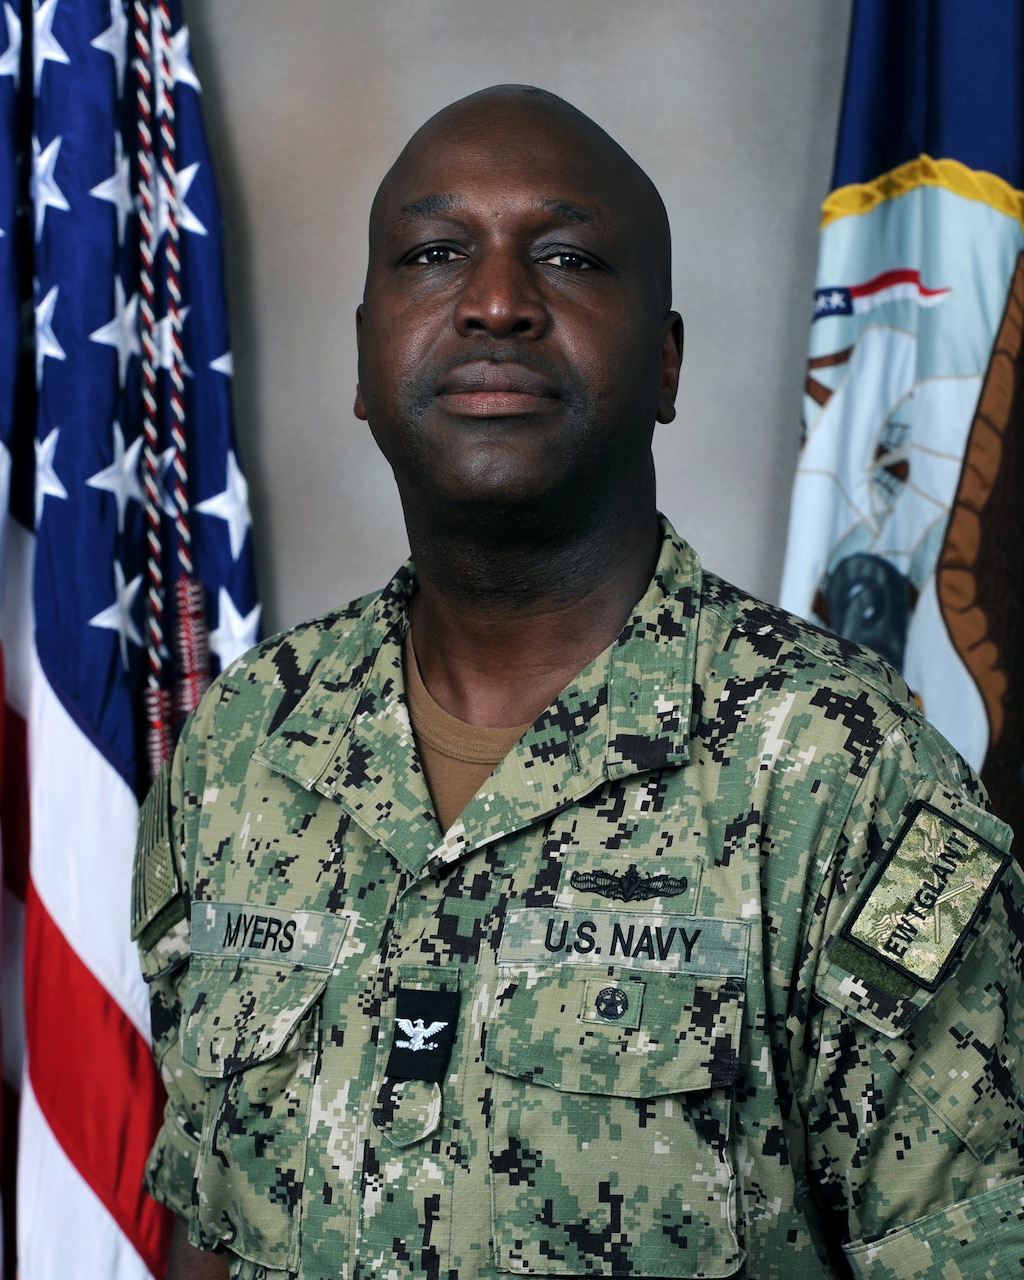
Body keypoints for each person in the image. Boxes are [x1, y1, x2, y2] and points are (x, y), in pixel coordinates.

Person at [132, 85, 1024, 1280]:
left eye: (568, 257)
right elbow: (214, 1219)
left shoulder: (844, 771)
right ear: (361, 354)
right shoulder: (243, 741)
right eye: (435, 253)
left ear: (663, 362)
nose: (497, 301)